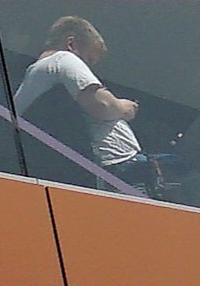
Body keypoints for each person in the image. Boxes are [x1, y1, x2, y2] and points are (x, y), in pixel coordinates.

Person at [15, 14, 141, 173]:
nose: (88, 69)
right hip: (116, 169)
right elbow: (102, 104)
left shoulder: (32, 81)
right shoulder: (62, 59)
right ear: (71, 43)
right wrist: (124, 107)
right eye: (88, 59)